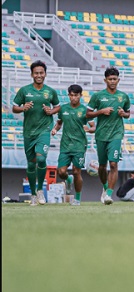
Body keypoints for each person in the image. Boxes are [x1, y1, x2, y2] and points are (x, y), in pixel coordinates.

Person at [12, 61, 60, 206]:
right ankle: (33, 194)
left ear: (45, 74)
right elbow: (14, 107)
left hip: (44, 130)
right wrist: (23, 108)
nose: (39, 75)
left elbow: (57, 107)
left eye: (41, 72)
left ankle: (40, 190)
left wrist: (51, 111)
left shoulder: (50, 91)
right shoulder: (24, 91)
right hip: (28, 132)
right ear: (32, 74)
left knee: (41, 159)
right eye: (36, 73)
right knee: (31, 165)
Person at [87, 67, 131, 206]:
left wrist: (123, 114)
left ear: (119, 80)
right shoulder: (98, 96)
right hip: (101, 135)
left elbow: (128, 113)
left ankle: (109, 194)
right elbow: (88, 114)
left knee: (113, 164)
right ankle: (105, 187)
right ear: (105, 80)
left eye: (115, 79)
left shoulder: (123, 96)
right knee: (102, 166)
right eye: (110, 79)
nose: (112, 81)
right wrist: (101, 111)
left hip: (116, 134)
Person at [51, 84, 95, 206]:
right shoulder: (63, 109)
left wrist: (89, 129)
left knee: (77, 172)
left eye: (76, 95)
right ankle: (68, 179)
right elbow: (59, 123)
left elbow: (93, 127)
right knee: (61, 172)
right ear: (68, 95)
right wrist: (55, 129)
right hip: (65, 145)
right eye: (71, 95)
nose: (73, 98)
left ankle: (77, 198)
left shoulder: (85, 111)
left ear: (80, 95)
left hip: (79, 145)